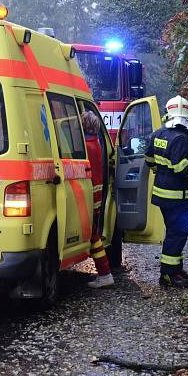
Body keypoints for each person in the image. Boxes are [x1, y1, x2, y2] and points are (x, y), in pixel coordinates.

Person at [145, 95, 188, 288]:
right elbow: (181, 168)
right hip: (175, 197)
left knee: (175, 232)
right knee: (178, 233)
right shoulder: (180, 138)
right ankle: (168, 274)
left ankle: (176, 269)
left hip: (161, 193)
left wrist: (160, 172)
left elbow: (149, 160)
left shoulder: (157, 134)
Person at [81, 111, 114, 289]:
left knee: (93, 236)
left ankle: (105, 273)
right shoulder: (96, 143)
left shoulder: (85, 145)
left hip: (89, 195)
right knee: (93, 235)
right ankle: (105, 273)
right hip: (96, 194)